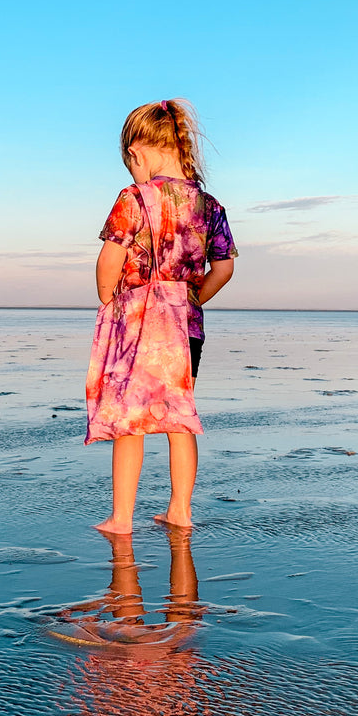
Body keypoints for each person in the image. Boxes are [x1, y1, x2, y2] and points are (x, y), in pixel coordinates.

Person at [85, 99, 237, 533]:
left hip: (139, 324)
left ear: (138, 152)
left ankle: (120, 518)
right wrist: (191, 300)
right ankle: (180, 511)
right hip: (185, 324)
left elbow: (109, 257)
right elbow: (224, 268)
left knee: (129, 422)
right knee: (179, 416)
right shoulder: (209, 206)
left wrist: (105, 296)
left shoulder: (133, 198)